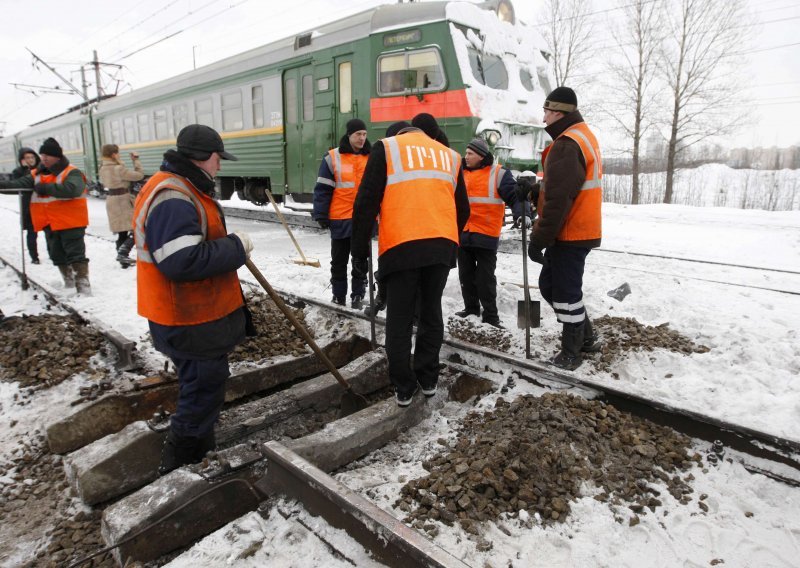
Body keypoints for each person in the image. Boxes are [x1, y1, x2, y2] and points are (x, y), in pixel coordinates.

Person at [132, 124, 255, 474]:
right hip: (187, 320)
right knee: (200, 396)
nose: (220, 166)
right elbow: (180, 261)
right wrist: (235, 247)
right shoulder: (174, 197)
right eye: (218, 159)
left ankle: (200, 453)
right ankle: (180, 471)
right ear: (204, 157)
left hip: (192, 316)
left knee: (204, 389)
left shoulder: (180, 187)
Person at [351, 115, 470, 407]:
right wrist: (447, 236)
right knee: (431, 313)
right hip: (442, 246)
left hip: (401, 245)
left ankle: (404, 387)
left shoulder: (386, 148)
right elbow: (463, 210)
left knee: (400, 318)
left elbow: (366, 202)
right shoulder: (450, 156)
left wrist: (358, 252)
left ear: (399, 132)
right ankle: (428, 379)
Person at [527, 87, 602, 370]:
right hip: (578, 227)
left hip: (571, 231)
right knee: (551, 286)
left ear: (558, 112)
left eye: (546, 112)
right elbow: (562, 186)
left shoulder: (567, 143)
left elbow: (559, 199)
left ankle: (573, 351)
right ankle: (585, 335)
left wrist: (538, 239)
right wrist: (535, 189)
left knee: (564, 292)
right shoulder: (580, 135)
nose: (544, 118)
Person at [0, 138, 91, 294]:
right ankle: (69, 284)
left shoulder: (71, 171)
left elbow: (73, 189)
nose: (43, 159)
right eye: (42, 156)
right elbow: (18, 184)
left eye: (47, 156)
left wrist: (46, 188)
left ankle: (83, 288)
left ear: (57, 156)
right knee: (57, 255)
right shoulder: (37, 173)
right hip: (49, 223)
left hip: (71, 222)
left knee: (76, 255)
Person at [455, 138, 530, 328]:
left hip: (486, 234)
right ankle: (471, 308)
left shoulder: (498, 174)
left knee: (485, 278)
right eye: (466, 153)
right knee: (465, 275)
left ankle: (491, 315)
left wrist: (522, 213)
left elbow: (515, 197)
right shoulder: (459, 173)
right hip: (463, 232)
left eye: (470, 153)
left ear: (481, 156)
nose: (466, 156)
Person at [313, 118, 371, 309]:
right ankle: (338, 296)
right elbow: (323, 188)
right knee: (339, 261)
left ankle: (358, 295)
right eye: (358, 134)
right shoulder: (332, 157)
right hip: (340, 219)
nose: (362, 138)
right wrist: (321, 213)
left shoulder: (371, 157)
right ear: (349, 135)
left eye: (364, 134)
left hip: (362, 220)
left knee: (360, 261)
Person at [99, 144, 145, 268]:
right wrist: (136, 161)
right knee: (136, 228)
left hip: (111, 200)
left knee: (122, 232)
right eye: (117, 153)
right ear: (113, 154)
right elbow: (139, 175)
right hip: (122, 201)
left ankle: (123, 260)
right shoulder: (118, 168)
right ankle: (123, 253)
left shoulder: (102, 168)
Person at [12, 148, 41, 264]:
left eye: (32, 157)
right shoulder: (18, 172)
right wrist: (26, 169)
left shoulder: (41, 169)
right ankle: (34, 257)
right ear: (22, 160)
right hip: (28, 206)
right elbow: (18, 185)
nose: (30, 160)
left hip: (42, 204)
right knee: (32, 232)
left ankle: (53, 254)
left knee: (50, 232)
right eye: (27, 158)